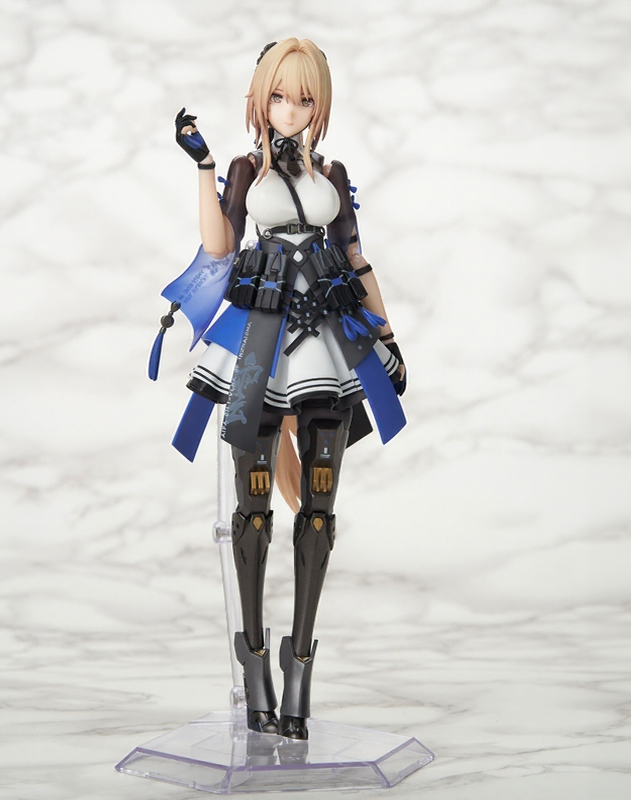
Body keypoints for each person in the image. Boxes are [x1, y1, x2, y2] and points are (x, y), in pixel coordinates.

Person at [160, 38, 406, 740]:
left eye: (304, 98)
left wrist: (387, 336)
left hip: (327, 337)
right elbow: (219, 246)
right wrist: (204, 166)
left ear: (318, 105)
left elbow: (356, 258)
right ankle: (255, 668)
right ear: (260, 97)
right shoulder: (247, 170)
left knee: (319, 511)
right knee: (254, 509)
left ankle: (301, 671)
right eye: (279, 96)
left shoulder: (333, 173)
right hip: (259, 338)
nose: (291, 110)